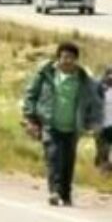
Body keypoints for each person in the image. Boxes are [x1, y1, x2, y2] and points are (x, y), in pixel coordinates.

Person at [22, 41, 103, 207]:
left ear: (76, 60)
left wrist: (94, 123)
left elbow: (95, 103)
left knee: (67, 161)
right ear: (58, 58)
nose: (67, 61)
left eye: (71, 58)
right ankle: (54, 192)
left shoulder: (84, 80)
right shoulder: (45, 74)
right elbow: (31, 94)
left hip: (73, 127)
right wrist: (30, 118)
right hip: (50, 124)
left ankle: (66, 195)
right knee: (53, 157)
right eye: (64, 57)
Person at [97, 66, 112, 175]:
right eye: (109, 75)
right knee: (103, 150)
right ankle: (104, 172)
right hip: (102, 125)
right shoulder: (99, 89)